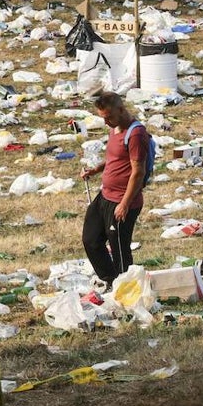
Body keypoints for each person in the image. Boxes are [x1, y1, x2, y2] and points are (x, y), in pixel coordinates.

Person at [79, 92, 149, 289]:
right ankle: (112, 280)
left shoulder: (135, 134)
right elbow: (114, 158)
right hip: (105, 195)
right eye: (103, 118)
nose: (107, 122)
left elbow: (138, 172)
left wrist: (124, 204)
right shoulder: (115, 128)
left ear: (121, 109)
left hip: (122, 201)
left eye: (109, 117)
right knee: (91, 239)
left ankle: (126, 289)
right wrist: (95, 170)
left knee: (119, 250)